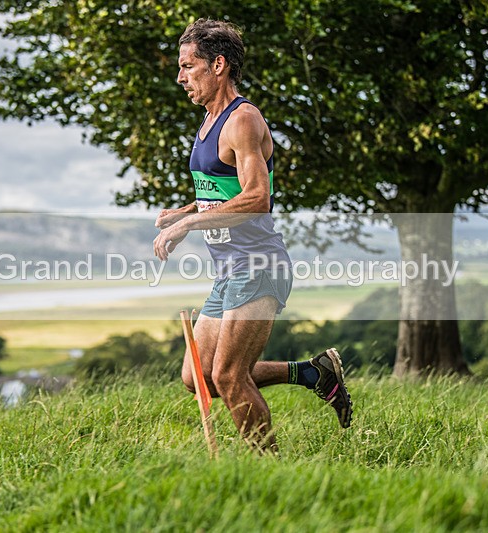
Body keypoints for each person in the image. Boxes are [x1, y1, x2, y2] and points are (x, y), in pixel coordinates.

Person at [154, 18, 352, 452]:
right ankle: (312, 373)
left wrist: (189, 224)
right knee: (198, 377)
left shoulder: (242, 120)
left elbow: (258, 197)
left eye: (188, 66)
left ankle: (271, 472)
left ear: (218, 65)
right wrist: (183, 213)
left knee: (228, 376)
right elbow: (225, 194)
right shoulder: (208, 122)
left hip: (259, 265)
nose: (181, 77)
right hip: (229, 270)